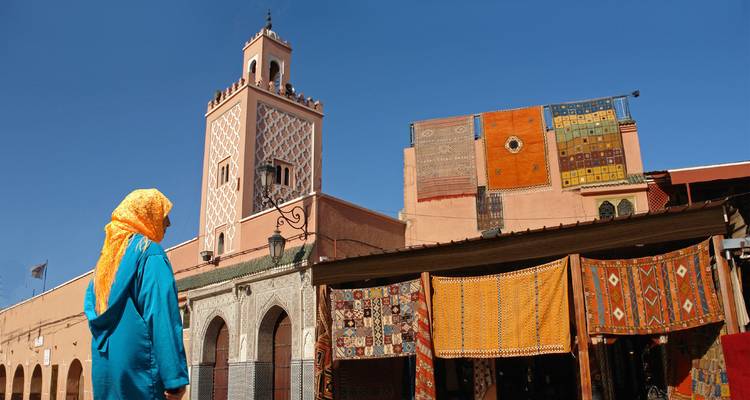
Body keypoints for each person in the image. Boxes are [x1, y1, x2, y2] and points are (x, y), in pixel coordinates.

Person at [84, 189, 189, 399]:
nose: (168, 223)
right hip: (142, 377)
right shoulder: (150, 254)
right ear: (144, 216)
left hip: (108, 380)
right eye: (162, 215)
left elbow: (92, 311)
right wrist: (174, 377)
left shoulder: (104, 266)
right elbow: (161, 314)